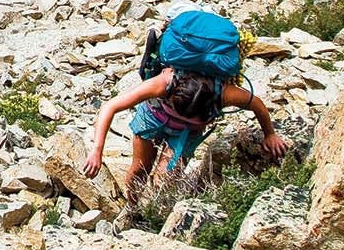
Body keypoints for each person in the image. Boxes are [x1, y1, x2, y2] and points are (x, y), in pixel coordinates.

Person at [82, 61, 286, 197]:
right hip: (153, 117)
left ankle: (154, 209)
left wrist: (270, 134)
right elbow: (110, 106)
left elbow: (256, 104)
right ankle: (132, 206)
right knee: (139, 168)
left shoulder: (224, 93)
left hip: (187, 132)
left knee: (167, 178)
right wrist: (97, 151)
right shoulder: (163, 83)